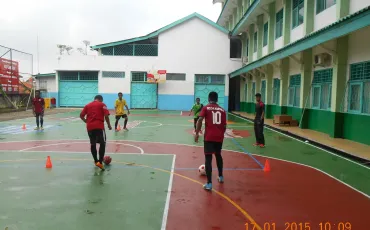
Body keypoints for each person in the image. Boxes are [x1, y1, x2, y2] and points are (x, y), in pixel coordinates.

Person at [194, 91, 226, 191]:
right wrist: (221, 134)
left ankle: (209, 183)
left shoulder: (206, 108)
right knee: (218, 155)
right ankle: (221, 177)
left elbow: (199, 120)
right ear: (217, 99)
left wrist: (197, 133)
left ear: (208, 99)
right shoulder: (222, 110)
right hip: (219, 137)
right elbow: (224, 125)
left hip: (209, 137)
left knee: (208, 158)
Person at [80, 95, 112, 170]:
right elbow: (106, 116)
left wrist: (86, 122)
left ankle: (95, 161)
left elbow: (81, 115)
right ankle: (100, 162)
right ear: (101, 99)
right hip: (99, 127)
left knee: (93, 143)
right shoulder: (102, 105)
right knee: (102, 143)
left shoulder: (87, 105)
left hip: (90, 127)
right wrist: (109, 125)